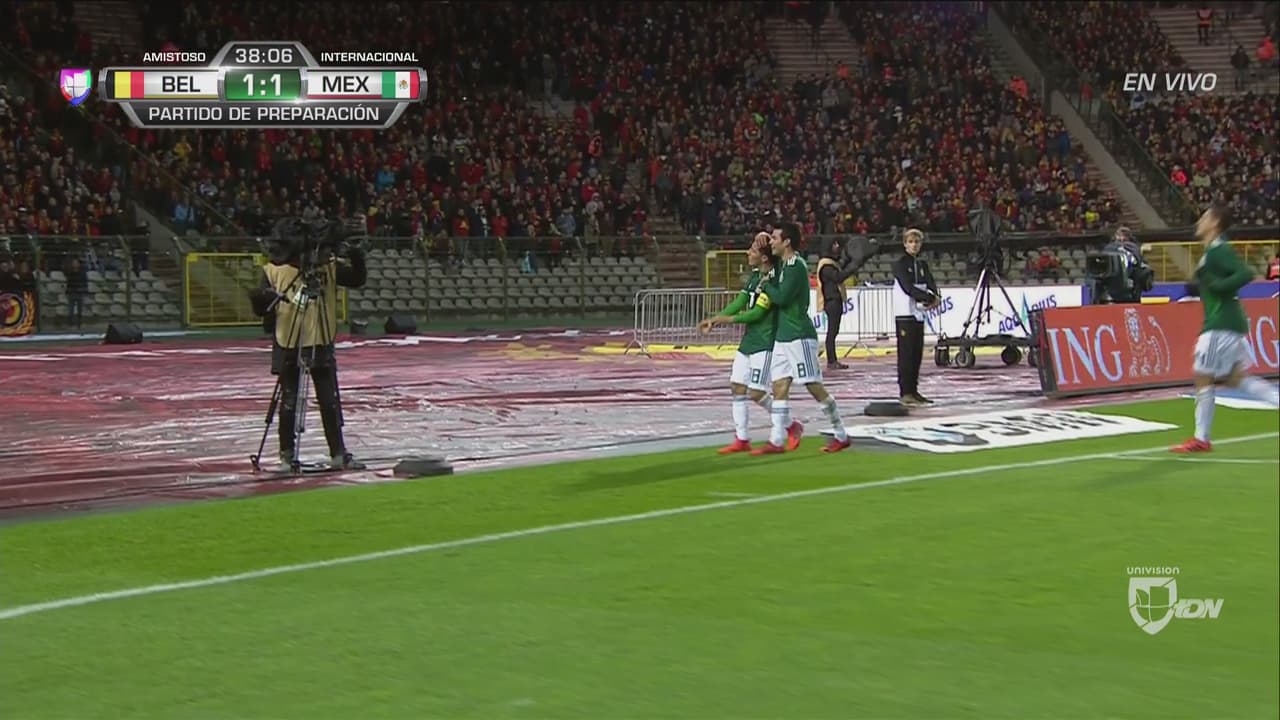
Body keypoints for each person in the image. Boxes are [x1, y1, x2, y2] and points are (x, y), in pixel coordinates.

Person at [250, 222, 369, 470]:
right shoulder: (273, 270)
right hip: (289, 341)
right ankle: (286, 454)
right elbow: (260, 305)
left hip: (320, 339)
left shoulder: (329, 268)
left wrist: (357, 255)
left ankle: (338, 453)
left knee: (329, 400)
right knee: (289, 401)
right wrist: (265, 298)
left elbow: (357, 279)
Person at [1171, 204, 1280, 453]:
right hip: (1229, 322)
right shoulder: (1212, 251)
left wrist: (1219, 287)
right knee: (1235, 378)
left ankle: (1201, 438)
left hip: (1220, 324)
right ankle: (1201, 438)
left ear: (1215, 223)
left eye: (1204, 217)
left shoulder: (1218, 250)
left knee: (1202, 374)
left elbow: (1244, 274)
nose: (1199, 221)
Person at [755, 223, 851, 454]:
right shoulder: (784, 264)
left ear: (787, 242)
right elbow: (766, 256)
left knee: (813, 385)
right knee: (779, 386)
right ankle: (777, 439)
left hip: (799, 335)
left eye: (775, 238)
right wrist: (762, 238)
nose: (772, 242)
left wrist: (765, 286)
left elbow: (782, 298)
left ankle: (841, 434)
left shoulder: (796, 266)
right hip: (783, 335)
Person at [699, 233, 799, 453]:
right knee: (737, 387)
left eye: (752, 251)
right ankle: (742, 438)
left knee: (756, 392)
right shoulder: (755, 276)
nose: (747, 253)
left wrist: (726, 320)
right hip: (749, 340)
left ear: (764, 258)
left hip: (765, 342)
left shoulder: (774, 280)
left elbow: (756, 314)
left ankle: (790, 425)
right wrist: (715, 319)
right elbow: (740, 301)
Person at [891, 228, 940, 406]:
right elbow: (907, 287)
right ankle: (905, 392)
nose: (914, 245)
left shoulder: (922, 264)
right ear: (905, 244)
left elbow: (931, 282)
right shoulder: (900, 264)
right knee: (906, 354)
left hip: (918, 314)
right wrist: (929, 298)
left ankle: (914, 390)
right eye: (910, 242)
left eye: (917, 242)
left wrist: (935, 296)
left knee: (916, 354)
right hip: (905, 314)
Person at [816, 237, 856, 370]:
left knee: (833, 331)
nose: (837, 247)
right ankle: (831, 360)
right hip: (831, 300)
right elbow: (838, 277)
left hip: (834, 300)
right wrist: (852, 267)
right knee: (832, 332)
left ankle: (832, 360)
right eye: (834, 244)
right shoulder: (826, 265)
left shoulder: (830, 264)